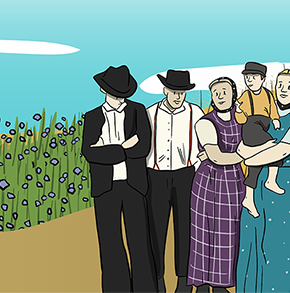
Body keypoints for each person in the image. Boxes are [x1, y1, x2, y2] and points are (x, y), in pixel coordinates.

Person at [234, 68, 290, 293]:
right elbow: (242, 146)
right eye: (280, 85)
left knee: (281, 246)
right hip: (258, 183)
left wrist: (250, 159)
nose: (284, 89)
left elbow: (282, 151)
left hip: (285, 186)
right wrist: (249, 155)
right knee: (253, 241)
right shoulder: (262, 115)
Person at [81, 65, 157, 293]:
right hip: (105, 188)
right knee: (110, 243)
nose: (118, 97)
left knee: (140, 241)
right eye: (114, 91)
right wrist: (123, 148)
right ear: (103, 89)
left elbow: (143, 147)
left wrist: (108, 150)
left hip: (135, 185)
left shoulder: (137, 110)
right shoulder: (92, 116)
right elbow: (89, 152)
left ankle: (146, 289)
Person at [145, 69, 204, 293]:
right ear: (165, 90)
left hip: (186, 176)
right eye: (174, 91)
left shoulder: (195, 112)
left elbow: (203, 143)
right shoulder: (150, 113)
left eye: (182, 92)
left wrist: (196, 168)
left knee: (186, 229)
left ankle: (183, 281)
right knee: (156, 229)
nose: (178, 96)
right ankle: (157, 280)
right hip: (156, 176)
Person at [188, 77, 247, 293]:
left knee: (230, 232)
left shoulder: (242, 120)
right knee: (204, 233)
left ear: (234, 94)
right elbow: (216, 157)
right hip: (209, 183)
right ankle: (203, 283)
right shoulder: (205, 122)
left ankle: (221, 284)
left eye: (224, 91)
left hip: (234, 182)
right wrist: (244, 153)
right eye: (215, 93)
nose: (220, 96)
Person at [236, 61, 283, 218]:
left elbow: (273, 110)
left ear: (262, 79)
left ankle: (250, 197)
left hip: (264, 126)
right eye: (247, 77)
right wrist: (238, 110)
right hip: (251, 129)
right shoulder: (245, 96)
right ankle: (269, 181)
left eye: (253, 77)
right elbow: (242, 120)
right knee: (274, 148)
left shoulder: (268, 94)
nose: (249, 80)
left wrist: (275, 119)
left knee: (257, 162)